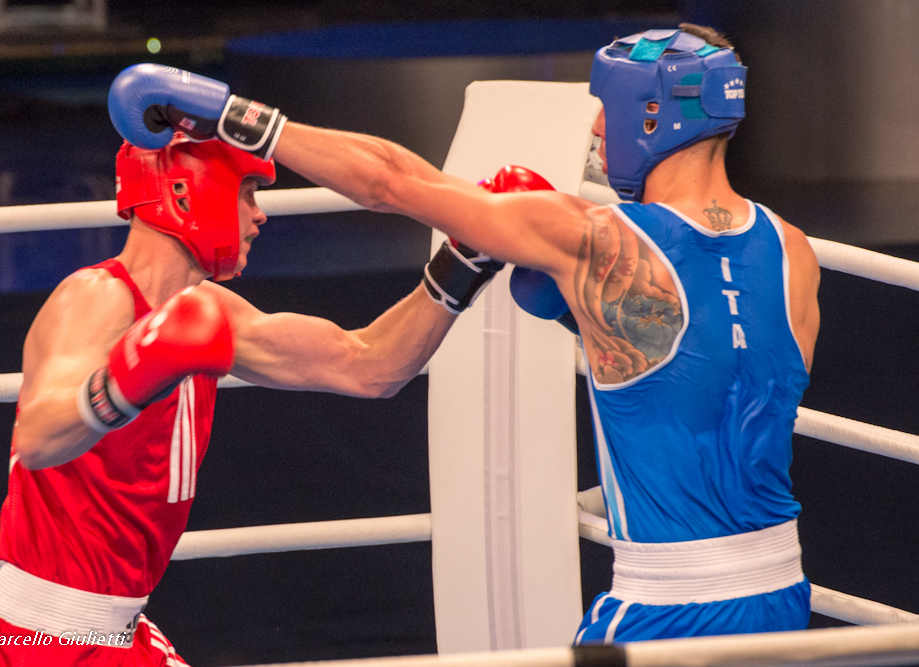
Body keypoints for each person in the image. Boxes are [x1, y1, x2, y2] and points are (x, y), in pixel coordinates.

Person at [105, 21, 820, 644]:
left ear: (653, 113)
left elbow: (390, 181)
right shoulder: (794, 253)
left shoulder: (593, 239)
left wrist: (237, 114)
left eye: (604, 109)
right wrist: (598, 320)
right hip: (782, 592)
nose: (597, 130)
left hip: (665, 606)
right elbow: (716, 378)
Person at [0, 127, 504, 665]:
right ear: (185, 192)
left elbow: (372, 366)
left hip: (116, 634)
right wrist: (132, 376)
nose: (260, 214)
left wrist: (464, 260)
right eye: (247, 193)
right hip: (28, 639)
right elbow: (40, 436)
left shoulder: (216, 315)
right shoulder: (96, 297)